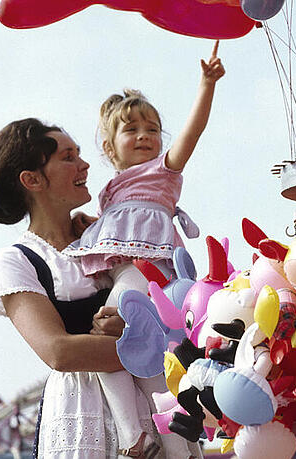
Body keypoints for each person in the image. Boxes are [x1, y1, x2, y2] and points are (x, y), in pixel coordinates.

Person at [0, 118, 201, 458]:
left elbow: (173, 300)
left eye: (79, 154)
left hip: (153, 405)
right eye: (68, 157)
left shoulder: (106, 240)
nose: (84, 165)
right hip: (82, 413)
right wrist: (146, 347)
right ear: (32, 179)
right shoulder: (16, 262)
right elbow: (59, 352)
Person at [64, 42, 224, 457]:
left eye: (151, 129)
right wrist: (89, 227)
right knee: (122, 350)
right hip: (123, 271)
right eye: (131, 129)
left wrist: (206, 85)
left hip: (150, 272)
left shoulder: (163, 171)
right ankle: (142, 435)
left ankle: (137, 436)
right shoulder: (109, 192)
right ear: (109, 147)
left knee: (113, 339)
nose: (144, 136)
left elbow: (193, 132)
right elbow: (113, 229)